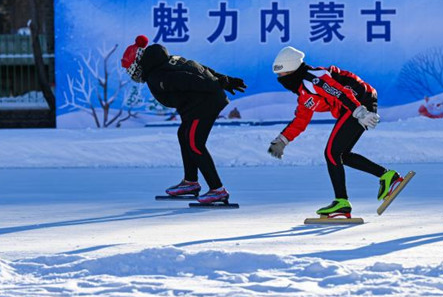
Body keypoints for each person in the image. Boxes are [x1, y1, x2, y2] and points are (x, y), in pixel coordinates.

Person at [267, 46, 402, 218]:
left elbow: (340, 93)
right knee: (341, 155)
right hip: (356, 107)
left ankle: (341, 202)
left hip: (358, 103)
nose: (280, 80)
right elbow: (301, 119)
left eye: (282, 75)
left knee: (331, 152)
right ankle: (387, 176)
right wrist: (282, 140)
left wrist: (361, 113)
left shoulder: (314, 79)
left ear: (291, 70)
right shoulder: (304, 93)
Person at [120, 35, 246, 204]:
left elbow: (192, 79)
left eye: (132, 70)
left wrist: (219, 83)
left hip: (205, 103)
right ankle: (190, 182)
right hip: (197, 104)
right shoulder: (166, 61)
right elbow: (199, 68)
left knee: (195, 143)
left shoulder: (158, 75)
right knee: (184, 135)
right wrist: (223, 80)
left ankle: (218, 190)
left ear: (139, 64)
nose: (133, 75)